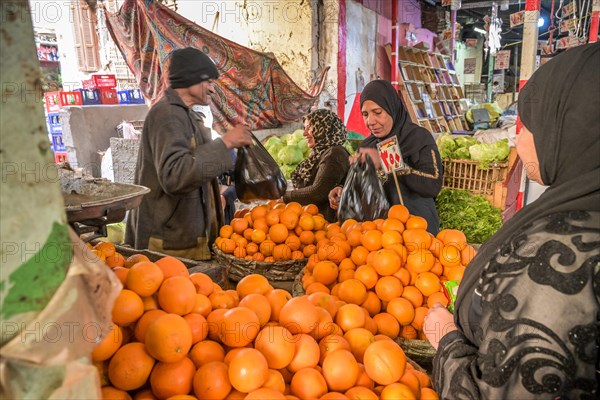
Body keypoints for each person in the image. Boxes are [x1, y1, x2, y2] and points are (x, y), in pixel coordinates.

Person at [423, 43, 600, 399]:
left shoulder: (558, 260)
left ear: (571, 127)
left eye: (531, 124)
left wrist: (447, 341)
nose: (519, 139)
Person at [125, 47, 253, 260]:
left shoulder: (185, 115)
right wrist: (226, 142)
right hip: (167, 243)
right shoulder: (168, 115)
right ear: (191, 80)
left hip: (181, 237)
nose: (213, 89)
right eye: (209, 82)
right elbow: (175, 176)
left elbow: (196, 161)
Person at [329, 80, 443, 234]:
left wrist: (386, 161)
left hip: (416, 232)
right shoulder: (368, 145)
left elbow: (433, 185)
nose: (370, 121)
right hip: (377, 235)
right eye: (365, 114)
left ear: (392, 108)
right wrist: (344, 190)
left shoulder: (419, 138)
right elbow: (366, 187)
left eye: (377, 112)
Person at [283, 109, 350, 221]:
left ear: (324, 128)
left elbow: (318, 192)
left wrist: (286, 197)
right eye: (304, 128)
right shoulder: (319, 153)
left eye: (310, 128)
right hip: (311, 220)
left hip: (326, 224)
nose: (305, 133)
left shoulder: (335, 154)